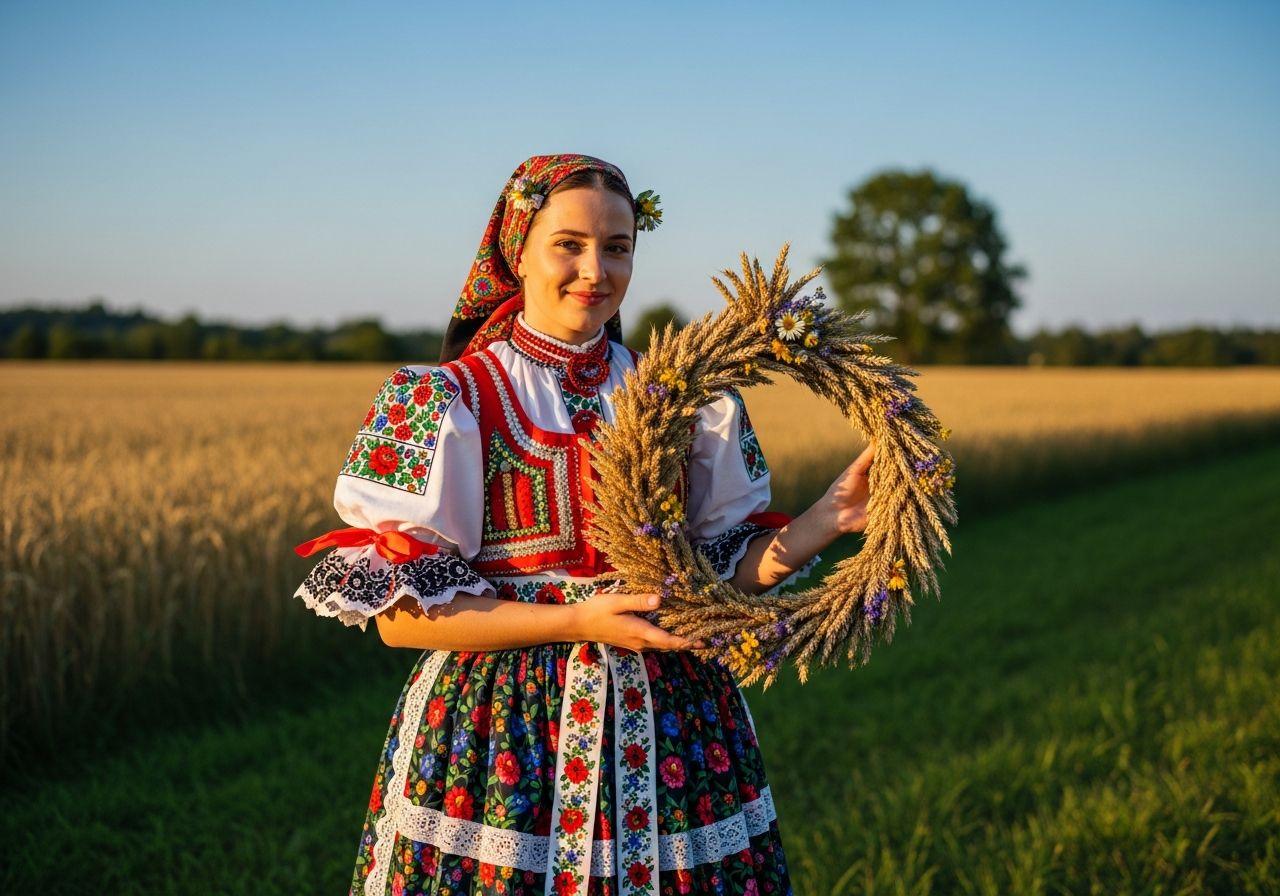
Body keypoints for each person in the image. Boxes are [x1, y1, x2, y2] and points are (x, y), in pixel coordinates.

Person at [294, 154, 876, 896]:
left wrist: (828, 517)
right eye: (568, 244)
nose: (594, 271)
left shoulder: (689, 400)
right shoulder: (442, 400)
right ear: (518, 250)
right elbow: (402, 623)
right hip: (505, 732)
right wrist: (580, 620)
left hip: (673, 729)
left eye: (617, 247)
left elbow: (720, 575)